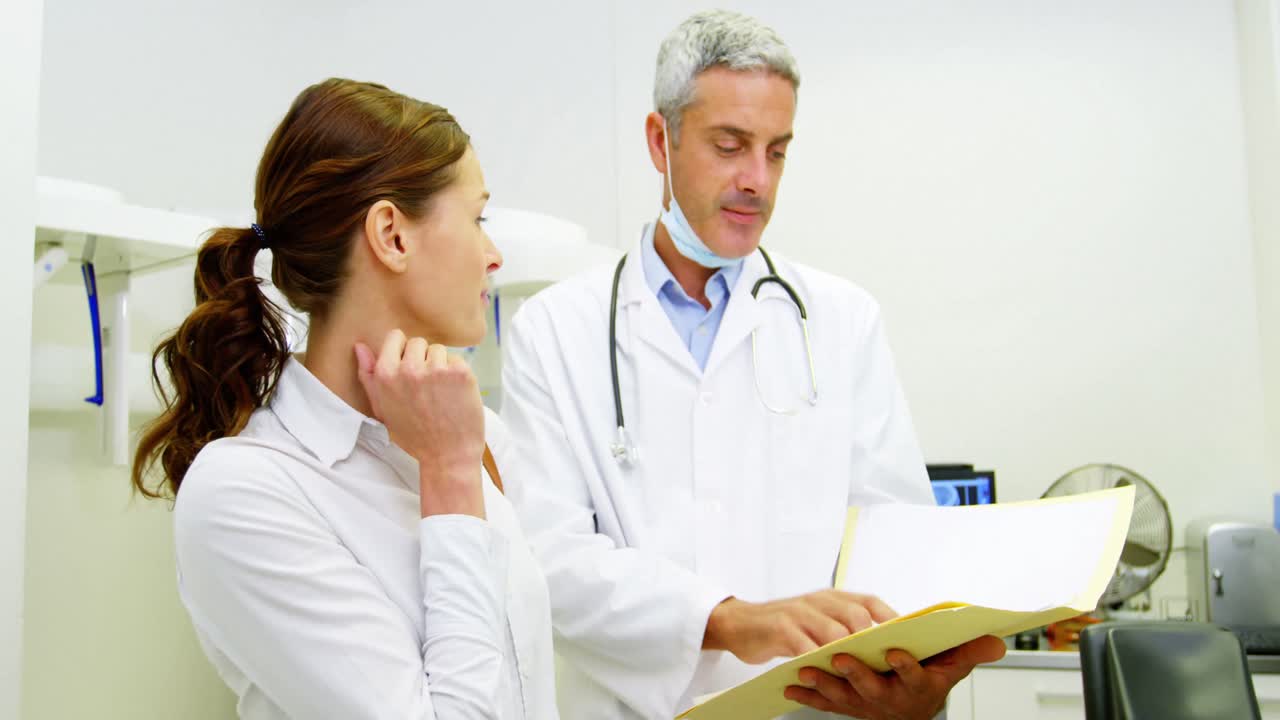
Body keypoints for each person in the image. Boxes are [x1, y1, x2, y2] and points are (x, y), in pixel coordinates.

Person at [498, 11, 1004, 719]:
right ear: (660, 140)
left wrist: (912, 678)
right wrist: (727, 619)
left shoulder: (841, 319)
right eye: (730, 146)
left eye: (777, 151)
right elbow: (549, 561)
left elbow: (893, 531)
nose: (756, 182)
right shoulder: (555, 330)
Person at [132, 78, 558, 720]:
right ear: (391, 234)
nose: (493, 256)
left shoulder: (476, 434)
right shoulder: (246, 491)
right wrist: (447, 476)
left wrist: (455, 461)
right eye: (477, 219)